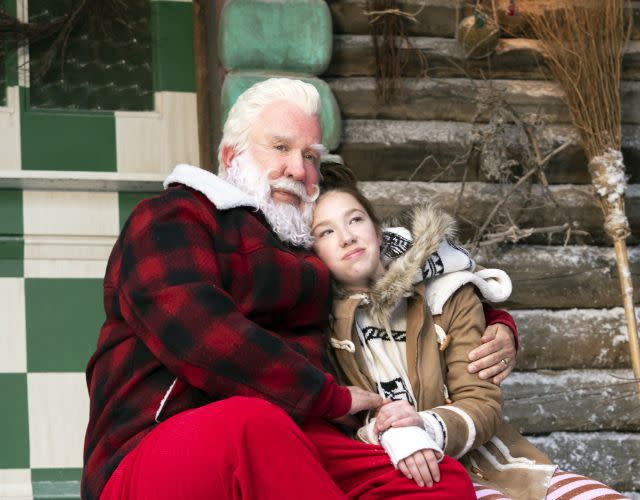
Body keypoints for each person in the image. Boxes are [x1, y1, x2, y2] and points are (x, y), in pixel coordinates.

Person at [82, 77, 515, 499]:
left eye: (311, 155)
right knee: (252, 426)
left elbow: (404, 271)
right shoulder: (174, 215)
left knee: (436, 483)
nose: (298, 168)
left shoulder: (312, 240)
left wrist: (495, 323)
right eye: (280, 147)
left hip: (297, 434)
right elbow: (198, 332)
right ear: (231, 155)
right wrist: (329, 396)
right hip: (158, 447)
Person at [311, 164, 628, 500]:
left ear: (377, 230)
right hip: (405, 475)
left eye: (355, 219)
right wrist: (392, 433)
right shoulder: (318, 325)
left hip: (491, 461)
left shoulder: (447, 291)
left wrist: (426, 426)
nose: (347, 237)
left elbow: (481, 400)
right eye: (326, 232)